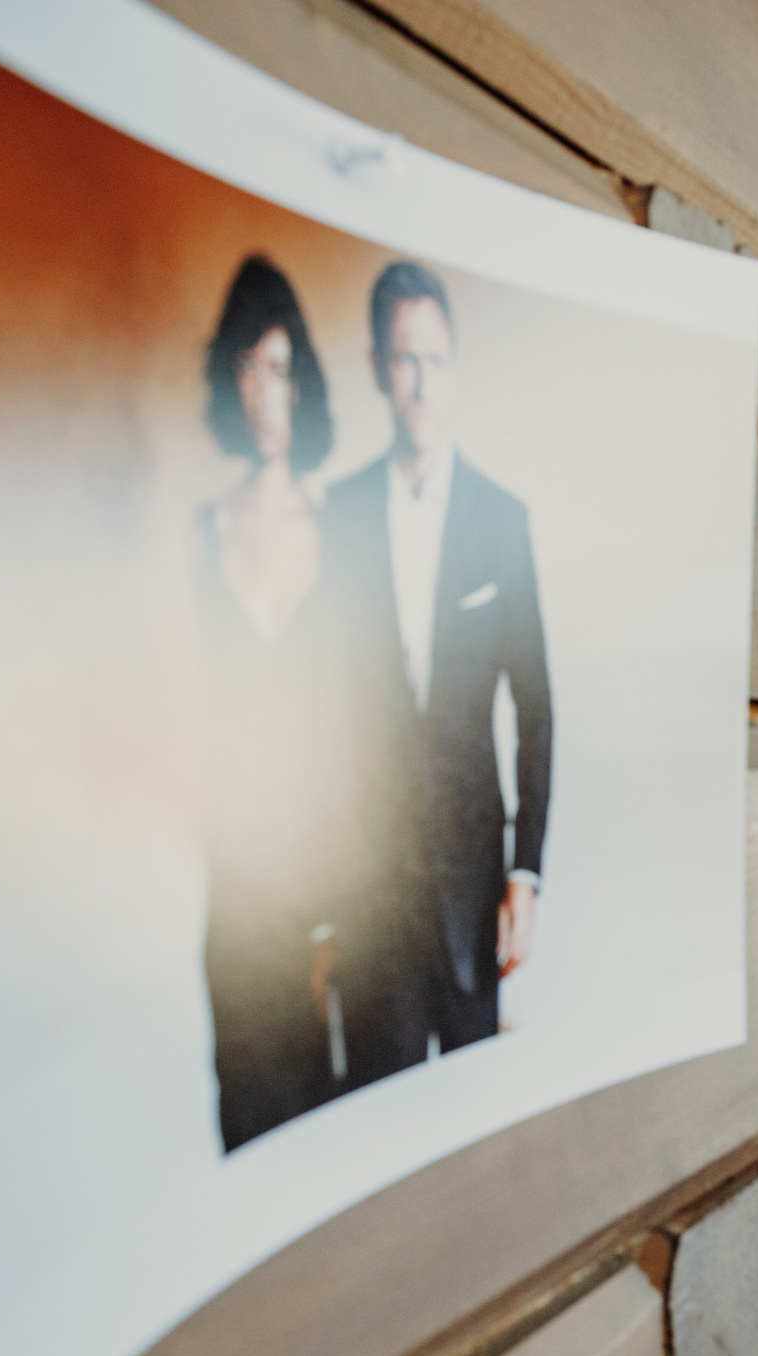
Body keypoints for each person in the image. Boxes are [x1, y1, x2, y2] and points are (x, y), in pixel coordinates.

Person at [193, 255, 413, 1151]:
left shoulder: (345, 532)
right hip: (242, 891)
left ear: (305, 386)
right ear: (227, 380)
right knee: (253, 1108)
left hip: (347, 883)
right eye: (247, 368)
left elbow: (375, 725)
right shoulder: (198, 534)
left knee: (354, 1120)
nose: (262, 392)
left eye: (280, 370)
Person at [327, 261, 554, 1060]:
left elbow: (535, 705)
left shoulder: (501, 518)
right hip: (366, 905)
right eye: (403, 360)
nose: (421, 383)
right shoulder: (340, 517)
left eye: (436, 360)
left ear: (453, 366)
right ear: (378, 371)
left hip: (473, 894)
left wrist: (525, 874)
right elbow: (322, 715)